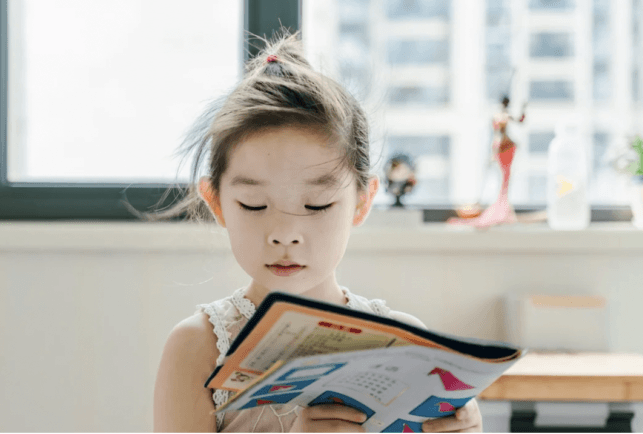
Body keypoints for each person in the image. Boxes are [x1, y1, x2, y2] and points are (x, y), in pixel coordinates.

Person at [152, 32, 483, 433]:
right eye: (254, 206)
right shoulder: (198, 348)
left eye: (317, 205)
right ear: (216, 201)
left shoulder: (407, 346)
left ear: (362, 202)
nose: (285, 234)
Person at [447, 95, 526, 228]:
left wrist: (523, 109)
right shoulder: (500, 116)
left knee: (506, 178)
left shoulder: (503, 116)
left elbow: (520, 121)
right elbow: (502, 129)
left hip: (505, 146)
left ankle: (503, 207)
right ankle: (499, 207)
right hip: (501, 146)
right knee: (502, 177)